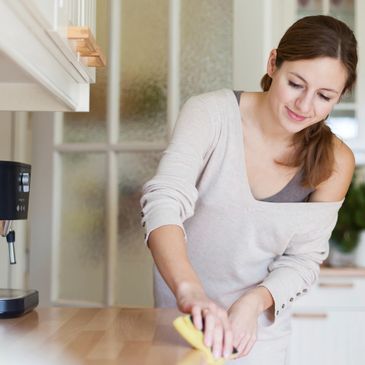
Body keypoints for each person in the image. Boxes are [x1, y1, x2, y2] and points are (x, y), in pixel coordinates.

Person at [140, 15, 357, 364]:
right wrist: (190, 292)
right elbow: (164, 202)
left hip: (257, 339)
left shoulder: (335, 161)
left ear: (340, 96)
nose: (304, 106)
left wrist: (254, 302)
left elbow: (304, 259)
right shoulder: (210, 114)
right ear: (273, 64)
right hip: (182, 326)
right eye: (296, 84)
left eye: (324, 96)